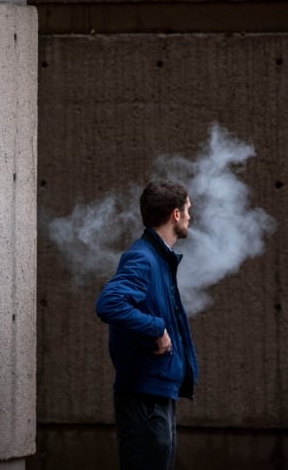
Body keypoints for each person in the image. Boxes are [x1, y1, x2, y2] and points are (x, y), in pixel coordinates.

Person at [96, 180, 199, 470]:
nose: (191, 216)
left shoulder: (158, 259)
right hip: (145, 397)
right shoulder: (143, 258)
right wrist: (157, 328)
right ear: (175, 214)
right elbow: (109, 303)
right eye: (188, 209)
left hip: (157, 394)